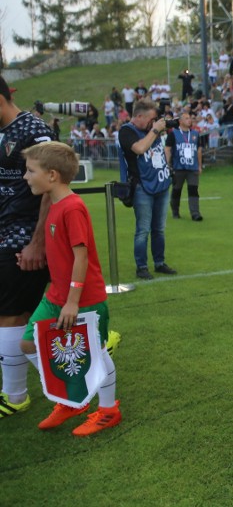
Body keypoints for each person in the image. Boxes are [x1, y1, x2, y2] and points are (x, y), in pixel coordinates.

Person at [20, 142, 121, 435]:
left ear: (52, 175)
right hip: (56, 296)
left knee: (97, 354)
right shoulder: (54, 204)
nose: (26, 177)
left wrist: (73, 302)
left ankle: (108, 410)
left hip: (82, 300)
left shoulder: (73, 207)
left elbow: (81, 256)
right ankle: (71, 399)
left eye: (30, 171)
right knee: (29, 344)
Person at [0, 74, 54, 418]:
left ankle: (15, 394)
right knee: (22, 315)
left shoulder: (33, 131)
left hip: (21, 239)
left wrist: (38, 242)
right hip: (5, 233)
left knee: (9, 315)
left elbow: (52, 186)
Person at [118, 98, 177, 280]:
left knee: (159, 229)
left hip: (161, 183)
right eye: (150, 119)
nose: (153, 122)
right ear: (140, 116)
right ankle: (141, 266)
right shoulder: (126, 131)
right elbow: (140, 148)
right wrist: (155, 129)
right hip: (142, 186)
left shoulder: (151, 128)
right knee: (143, 229)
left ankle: (159, 262)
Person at [164, 111, 203, 221]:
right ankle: (175, 211)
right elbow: (167, 149)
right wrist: (167, 165)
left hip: (192, 167)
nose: (189, 120)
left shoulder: (195, 134)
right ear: (180, 121)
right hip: (178, 167)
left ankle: (195, 213)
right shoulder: (173, 133)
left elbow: (199, 150)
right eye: (186, 118)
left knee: (193, 190)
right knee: (177, 190)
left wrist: (200, 165)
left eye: (190, 118)